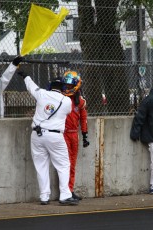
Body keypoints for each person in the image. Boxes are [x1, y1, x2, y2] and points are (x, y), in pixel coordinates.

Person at [17, 70, 79, 206]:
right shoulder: (66, 101)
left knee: (41, 166)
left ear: (50, 86)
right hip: (55, 136)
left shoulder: (42, 94)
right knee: (63, 165)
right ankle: (65, 195)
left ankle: (44, 196)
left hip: (37, 135)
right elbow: (68, 112)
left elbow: (31, 85)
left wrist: (25, 75)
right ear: (63, 88)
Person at [61, 70, 89, 200]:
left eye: (71, 86)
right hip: (62, 134)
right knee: (65, 164)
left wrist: (85, 135)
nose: (68, 88)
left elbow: (83, 119)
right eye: (66, 86)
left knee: (72, 164)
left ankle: (70, 190)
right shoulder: (60, 98)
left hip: (74, 135)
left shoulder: (81, 102)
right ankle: (65, 191)